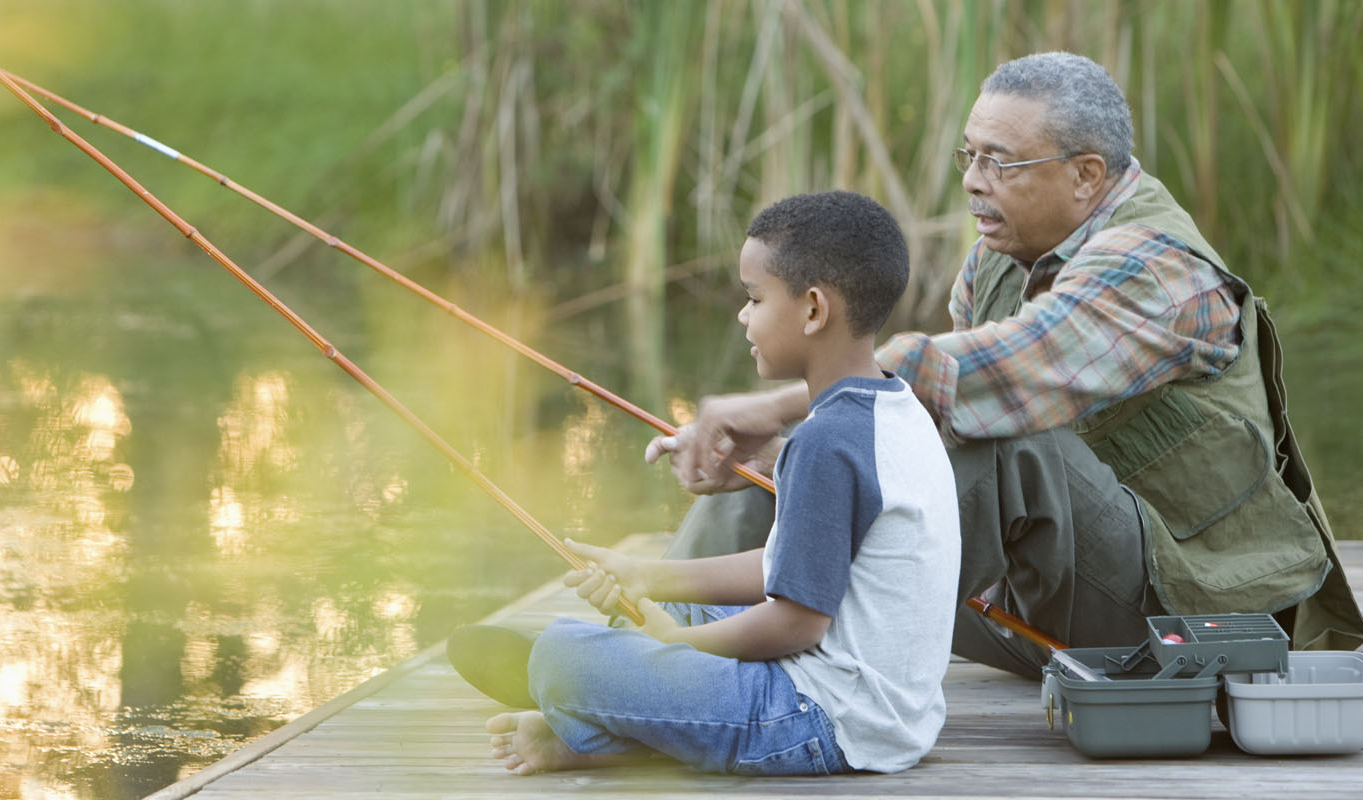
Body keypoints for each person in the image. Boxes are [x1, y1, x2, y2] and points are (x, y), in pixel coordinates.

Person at [648, 51, 1363, 679]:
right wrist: (782, 453)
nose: (973, 183)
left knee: (1004, 443)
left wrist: (777, 405)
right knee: (793, 461)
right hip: (1033, 607)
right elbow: (916, 441)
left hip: (1180, 615)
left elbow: (998, 376)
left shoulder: (1153, 264)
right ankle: (637, 647)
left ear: (1086, 175)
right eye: (969, 156)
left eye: (1001, 162)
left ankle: (703, 665)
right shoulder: (993, 259)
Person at [455, 191, 961, 776]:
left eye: (754, 299)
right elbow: (785, 568)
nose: (743, 316)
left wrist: (674, 648)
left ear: (814, 310)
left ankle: (580, 706)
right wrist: (645, 576)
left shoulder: (826, 443)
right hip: (886, 712)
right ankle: (595, 719)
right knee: (660, 606)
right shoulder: (891, 408)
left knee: (565, 656)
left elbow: (796, 622)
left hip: (824, 720)